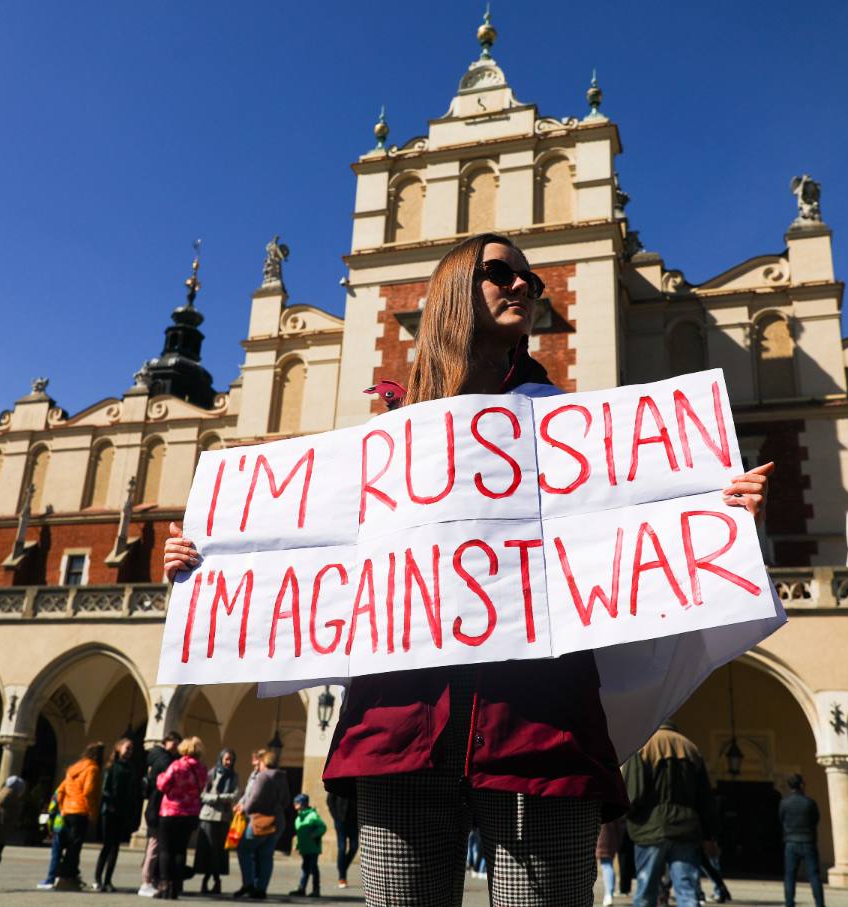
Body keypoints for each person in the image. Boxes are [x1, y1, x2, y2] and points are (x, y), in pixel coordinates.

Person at [162, 232, 774, 907]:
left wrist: (720, 504)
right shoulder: (383, 440)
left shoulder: (570, 429)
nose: (522, 286)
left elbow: (635, 528)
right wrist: (207, 560)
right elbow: (303, 552)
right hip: (399, 733)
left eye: (531, 281)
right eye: (500, 274)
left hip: (539, 733)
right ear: (454, 289)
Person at [623, 721, 720, 907]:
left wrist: (629, 817)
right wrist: (709, 834)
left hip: (649, 829)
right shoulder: (690, 747)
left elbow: (633, 793)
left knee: (645, 892)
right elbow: (705, 799)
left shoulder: (644, 745)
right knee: (687, 891)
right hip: (686, 830)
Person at [155, 735, 209, 900]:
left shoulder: (177, 765)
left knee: (165, 850)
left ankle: (164, 884)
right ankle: (176, 886)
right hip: (190, 813)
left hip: (170, 812)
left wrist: (158, 776)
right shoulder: (202, 769)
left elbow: (163, 784)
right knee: (180, 850)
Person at [235, 747, 291, 899]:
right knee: (266, 855)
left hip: (260, 820)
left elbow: (254, 799)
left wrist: (244, 809)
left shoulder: (263, 777)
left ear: (263, 762)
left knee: (243, 850)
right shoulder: (281, 777)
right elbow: (286, 800)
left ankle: (248, 884)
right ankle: (261, 889)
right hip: (278, 821)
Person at [53, 741, 104, 891]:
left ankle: (68, 875)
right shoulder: (92, 769)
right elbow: (89, 792)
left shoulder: (72, 769)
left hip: (68, 811)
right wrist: (93, 812)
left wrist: (62, 808)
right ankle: (67, 877)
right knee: (75, 847)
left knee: (69, 845)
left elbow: (60, 790)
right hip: (81, 811)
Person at [139, 731, 182, 898]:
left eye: (178, 742)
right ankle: (146, 881)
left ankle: (150, 879)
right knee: (155, 845)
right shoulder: (164, 760)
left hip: (156, 806)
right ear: (166, 742)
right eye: (174, 742)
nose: (176, 746)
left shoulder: (159, 757)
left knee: (155, 845)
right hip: (157, 807)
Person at [94, 737, 139, 893]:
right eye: (127, 748)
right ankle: (98, 879)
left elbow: (132, 791)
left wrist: (130, 809)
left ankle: (108, 880)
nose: (129, 751)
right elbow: (105, 789)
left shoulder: (131, 768)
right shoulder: (112, 766)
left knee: (116, 847)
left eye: (132, 749)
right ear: (119, 748)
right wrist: (111, 804)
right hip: (110, 810)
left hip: (123, 811)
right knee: (107, 845)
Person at [195, 747, 241, 895]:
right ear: (221, 758)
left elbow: (235, 794)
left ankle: (216, 880)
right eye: (226, 759)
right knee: (207, 849)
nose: (228, 762)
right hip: (208, 816)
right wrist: (218, 798)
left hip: (223, 818)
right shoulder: (211, 774)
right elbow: (202, 795)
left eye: (231, 760)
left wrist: (221, 798)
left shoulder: (234, 776)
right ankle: (206, 880)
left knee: (219, 851)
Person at [780, 773, 824, 907]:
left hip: (791, 843)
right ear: (801, 785)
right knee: (814, 875)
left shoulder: (784, 803)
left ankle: (789, 903)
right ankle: (820, 904)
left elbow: (781, 819)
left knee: (790, 875)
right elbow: (816, 819)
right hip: (808, 841)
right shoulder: (810, 803)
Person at [290, 793, 328, 898]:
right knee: (305, 868)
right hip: (305, 848)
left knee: (313, 868)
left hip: (313, 848)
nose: (294, 804)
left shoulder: (312, 815)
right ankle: (302, 888)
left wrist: (314, 835)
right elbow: (299, 834)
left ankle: (316, 890)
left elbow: (322, 827)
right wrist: (297, 845)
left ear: (303, 803)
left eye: (297, 802)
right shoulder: (298, 819)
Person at [326, 789, 358, 890]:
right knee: (342, 847)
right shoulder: (338, 780)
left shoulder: (357, 782)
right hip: (340, 820)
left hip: (354, 821)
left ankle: (342, 868)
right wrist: (336, 816)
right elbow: (330, 801)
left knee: (354, 846)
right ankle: (342, 877)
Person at [35, 791, 67, 890]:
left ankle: (51, 879)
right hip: (73, 826)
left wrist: (49, 827)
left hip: (59, 825)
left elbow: (52, 810)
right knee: (69, 854)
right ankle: (64, 877)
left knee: (56, 854)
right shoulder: (77, 789)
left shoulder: (60, 791)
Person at [596, 817, 625, 907]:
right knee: (607, 865)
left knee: (606, 865)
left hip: (597, 837)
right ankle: (609, 894)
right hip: (609, 838)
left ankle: (608, 895)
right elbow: (619, 826)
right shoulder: (611, 803)